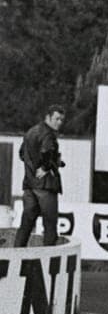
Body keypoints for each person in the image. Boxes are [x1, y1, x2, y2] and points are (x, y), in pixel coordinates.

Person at [14, 105, 66, 248]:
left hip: (29, 186)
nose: (59, 122)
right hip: (45, 187)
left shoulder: (31, 132)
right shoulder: (48, 134)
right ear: (48, 117)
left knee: (25, 225)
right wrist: (46, 167)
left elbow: (22, 154)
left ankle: (14, 261)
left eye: (61, 119)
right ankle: (48, 265)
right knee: (50, 227)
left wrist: (49, 163)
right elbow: (47, 151)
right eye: (57, 119)